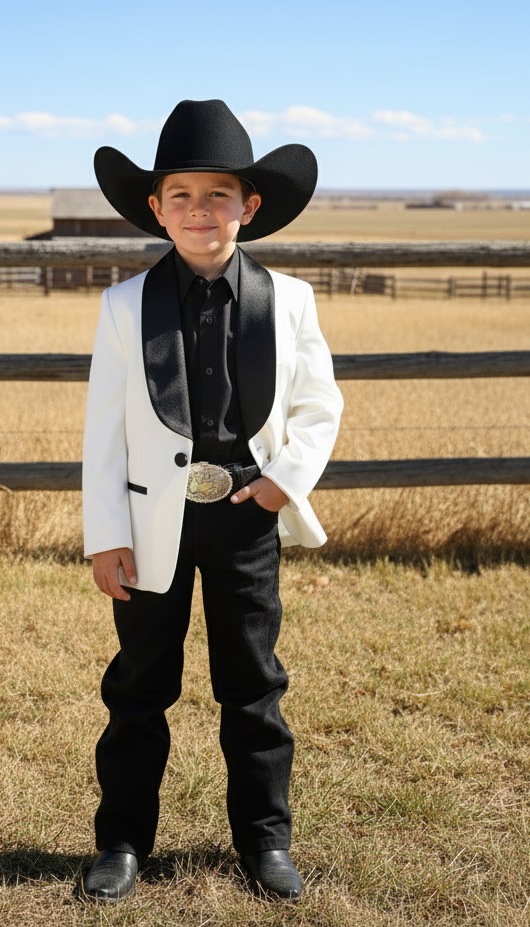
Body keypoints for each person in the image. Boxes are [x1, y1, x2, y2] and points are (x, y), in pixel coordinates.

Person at [81, 99, 343, 903]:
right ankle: (123, 841)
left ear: (250, 207)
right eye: (183, 196)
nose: (201, 211)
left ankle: (265, 842)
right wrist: (104, 535)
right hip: (152, 521)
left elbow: (319, 405)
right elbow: (104, 431)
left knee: (254, 687)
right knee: (138, 687)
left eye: (219, 194)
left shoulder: (289, 299)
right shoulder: (124, 305)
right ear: (156, 208)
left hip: (244, 519)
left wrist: (282, 483)